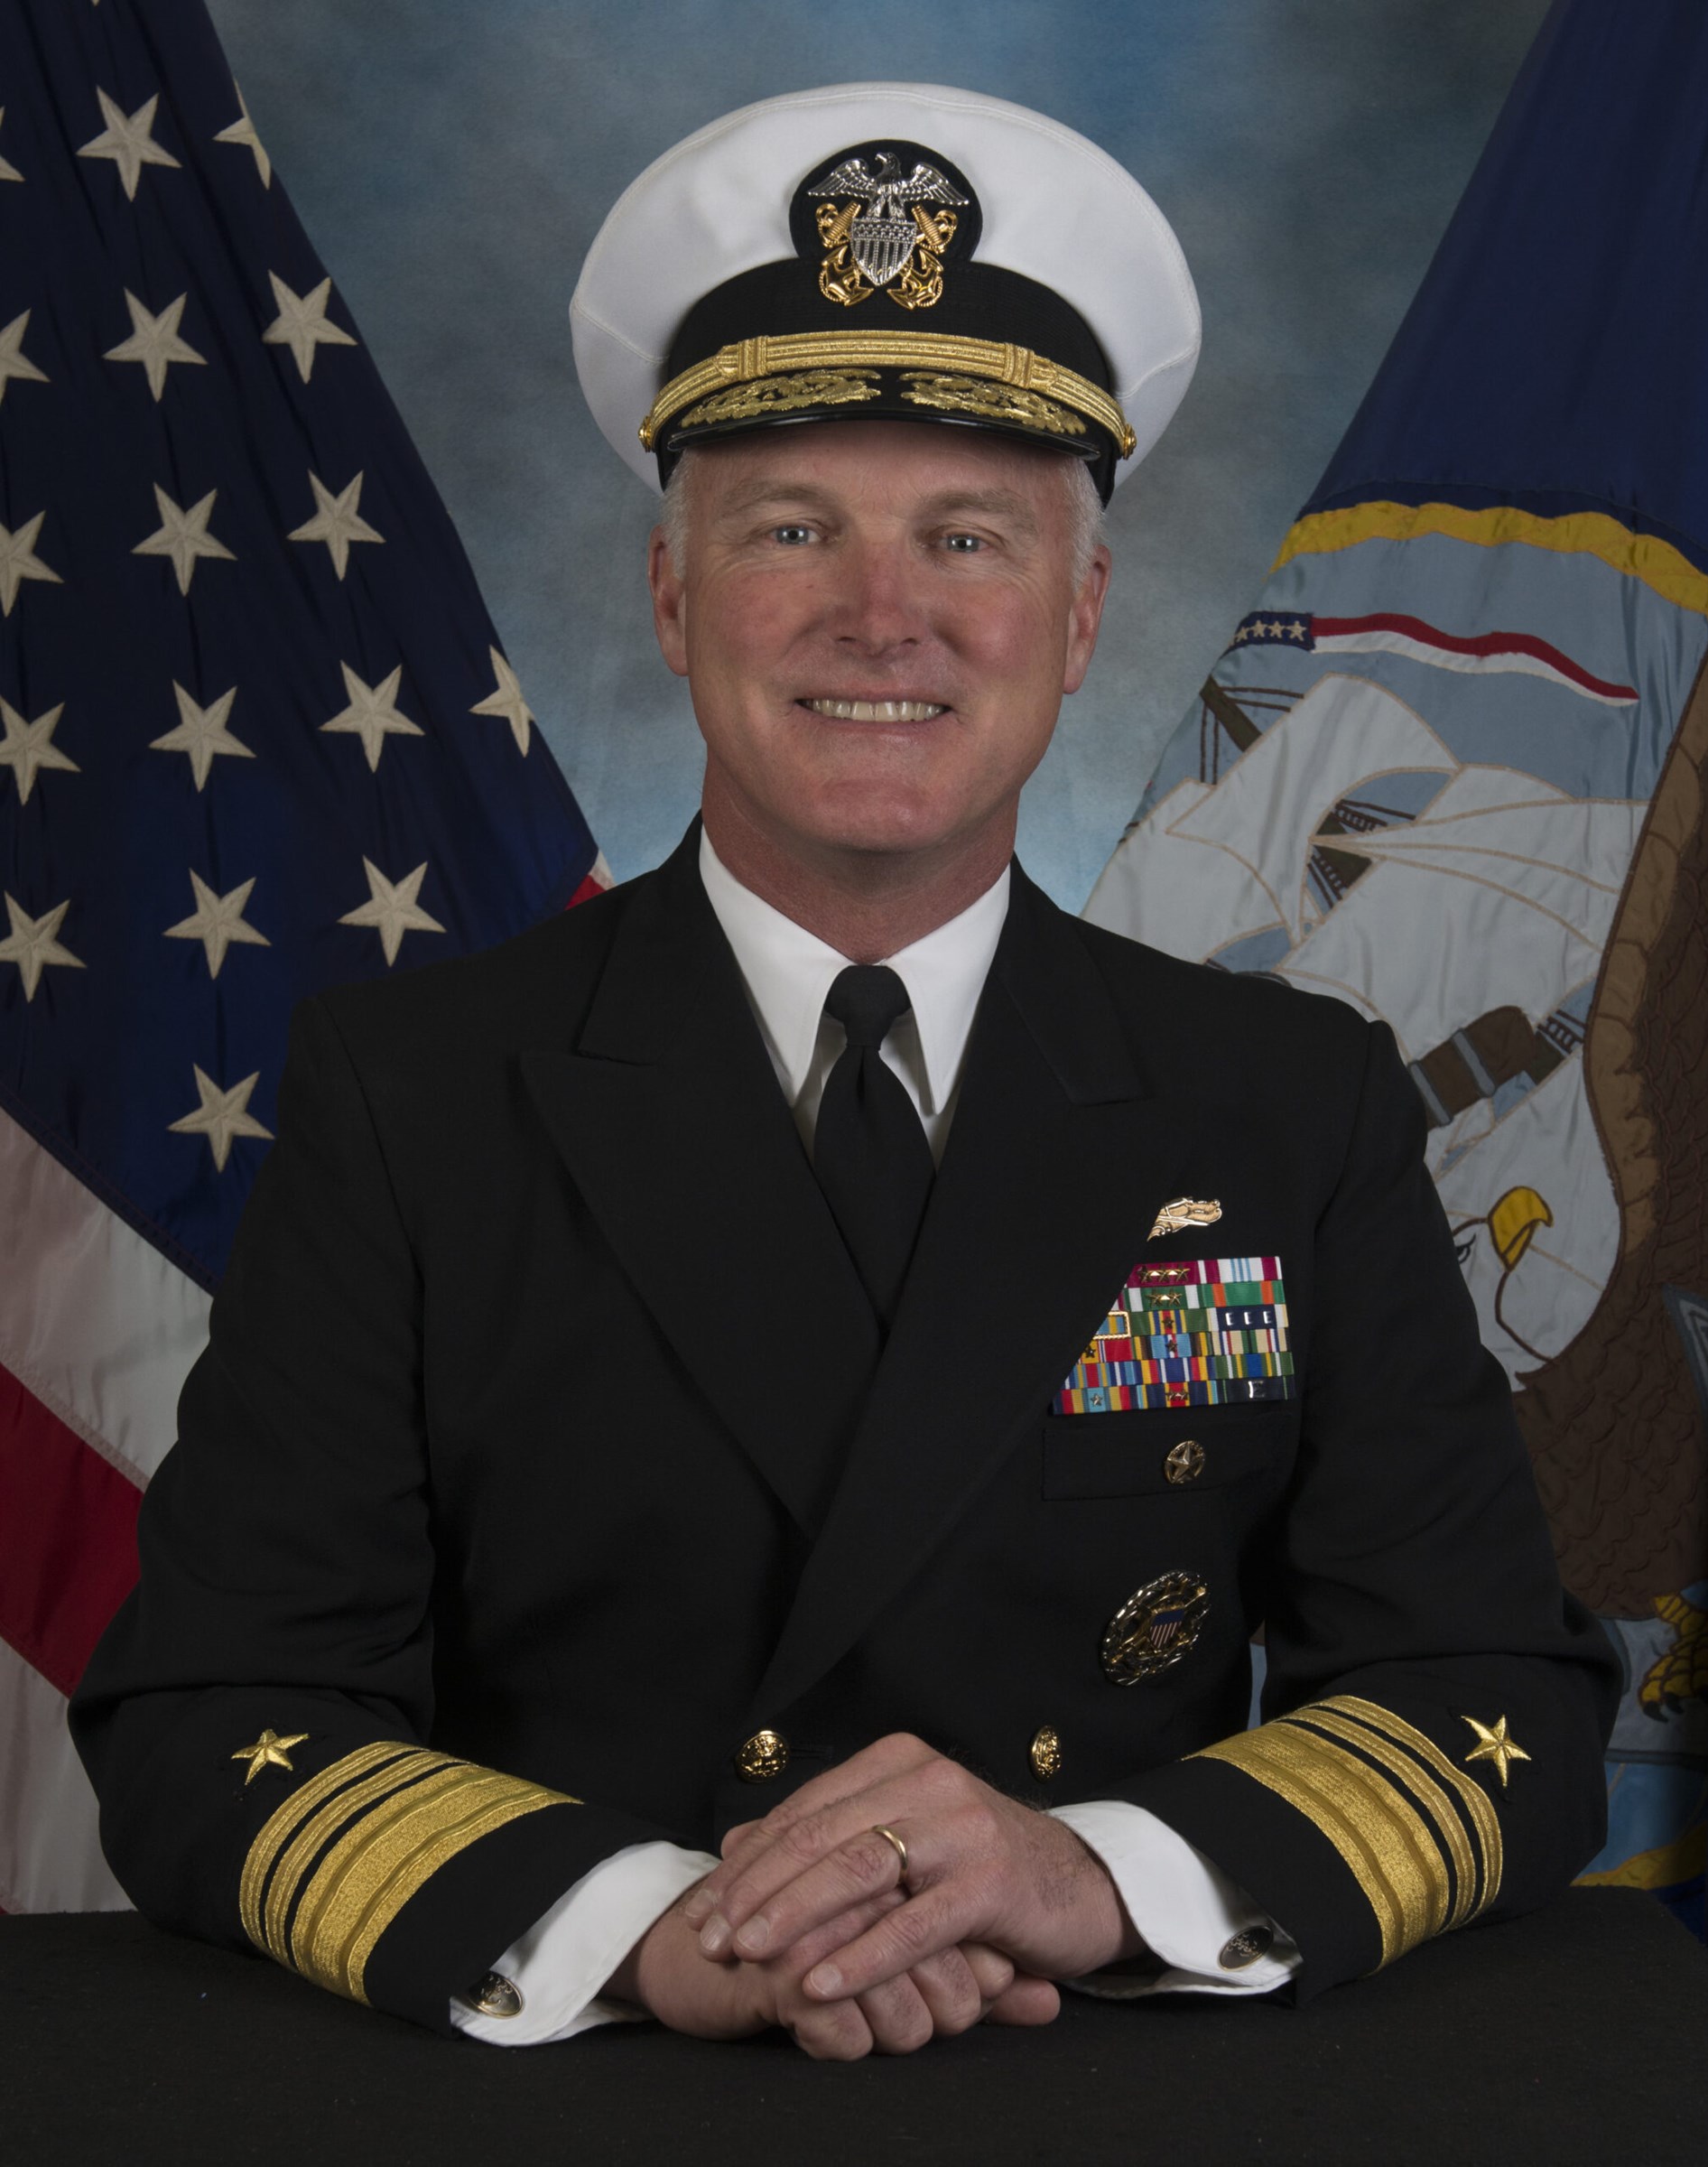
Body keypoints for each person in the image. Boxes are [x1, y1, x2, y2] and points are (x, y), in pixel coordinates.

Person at [71, 81, 1617, 2060]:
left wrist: (1094, 1874)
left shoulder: (1286, 1104)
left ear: (1080, 617)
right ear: (671, 597)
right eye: (791, 530)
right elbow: (211, 1710)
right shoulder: (416, 1094)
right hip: (590, 2083)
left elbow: (1495, 1693)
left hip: (1108, 2079)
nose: (883, 618)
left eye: (967, 539)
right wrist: (646, 1922)